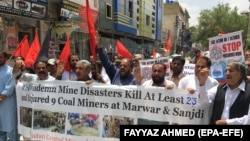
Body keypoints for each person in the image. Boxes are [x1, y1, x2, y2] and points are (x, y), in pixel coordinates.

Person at [0, 51, 17, 141]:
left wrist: (1, 97)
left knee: (10, 132)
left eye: (0, 57)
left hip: (7, 105)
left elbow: (9, 88)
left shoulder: (10, 71)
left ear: (6, 59)